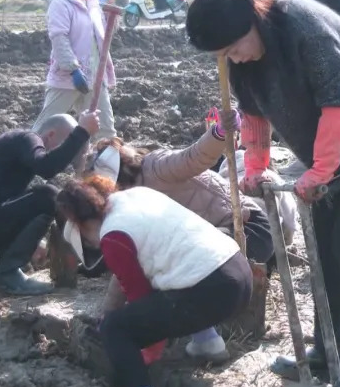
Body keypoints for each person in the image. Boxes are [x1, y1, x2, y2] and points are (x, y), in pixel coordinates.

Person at [185, 0, 340, 387]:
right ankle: (327, 353)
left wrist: (321, 171)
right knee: (323, 252)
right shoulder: (240, 60)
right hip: (330, 153)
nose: (234, 58)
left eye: (235, 47)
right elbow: (253, 114)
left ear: (252, 21)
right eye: (224, 54)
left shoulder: (302, 28)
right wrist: (256, 166)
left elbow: (339, 103)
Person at [57, 177, 252, 387]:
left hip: (211, 290)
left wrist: (145, 348)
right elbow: (137, 277)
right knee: (173, 277)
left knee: (115, 328)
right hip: (237, 271)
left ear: (80, 225)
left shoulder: (112, 236)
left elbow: (141, 297)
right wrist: (111, 310)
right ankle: (208, 343)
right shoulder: (136, 196)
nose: (92, 245)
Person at [81, 110, 277, 271]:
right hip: (215, 235)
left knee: (179, 260)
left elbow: (193, 158)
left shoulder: (155, 167)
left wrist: (218, 133)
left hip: (247, 228)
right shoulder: (129, 198)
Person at [0, 112, 99, 295]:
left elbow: (13, 211)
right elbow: (47, 167)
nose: (64, 157)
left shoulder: (15, 158)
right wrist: (82, 132)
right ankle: (8, 274)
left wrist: (31, 239)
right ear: (50, 135)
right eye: (61, 146)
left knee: (32, 198)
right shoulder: (26, 138)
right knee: (49, 196)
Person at [33, 0, 117, 142]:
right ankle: (27, 162)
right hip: (68, 77)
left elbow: (100, 35)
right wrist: (72, 68)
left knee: (105, 130)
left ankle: (103, 168)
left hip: (95, 75)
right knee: (46, 127)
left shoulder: (93, 2)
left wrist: (114, 20)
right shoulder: (61, 4)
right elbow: (59, 37)